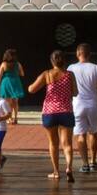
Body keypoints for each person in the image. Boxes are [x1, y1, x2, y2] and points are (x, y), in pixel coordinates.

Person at [26, 50, 77, 181]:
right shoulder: (70, 75)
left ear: (52, 61)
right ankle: (69, 168)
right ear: (64, 61)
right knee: (67, 144)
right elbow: (75, 92)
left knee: (53, 143)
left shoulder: (47, 74)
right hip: (66, 111)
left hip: (50, 112)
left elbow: (32, 89)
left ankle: (56, 171)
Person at [68, 43, 97, 172]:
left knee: (80, 134)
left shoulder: (71, 68)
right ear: (89, 54)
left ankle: (84, 164)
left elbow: (68, 88)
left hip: (77, 103)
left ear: (77, 54)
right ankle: (93, 161)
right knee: (93, 132)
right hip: (93, 103)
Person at [0, 49, 25, 125]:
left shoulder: (3, 64)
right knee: (15, 101)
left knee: (7, 102)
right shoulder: (18, 64)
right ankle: (15, 118)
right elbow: (22, 74)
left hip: (6, 83)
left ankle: (9, 118)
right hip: (15, 82)